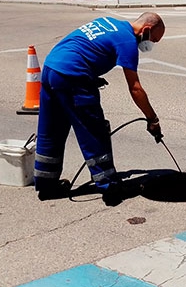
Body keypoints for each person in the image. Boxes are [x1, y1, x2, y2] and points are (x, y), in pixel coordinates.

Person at [33, 12, 165, 205]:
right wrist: (152, 119)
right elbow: (135, 88)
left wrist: (92, 76)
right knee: (94, 131)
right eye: (153, 39)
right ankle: (110, 187)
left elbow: (86, 46)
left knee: (51, 129)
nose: (150, 44)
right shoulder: (128, 42)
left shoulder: (109, 21)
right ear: (146, 29)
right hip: (74, 76)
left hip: (52, 68)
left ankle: (46, 185)